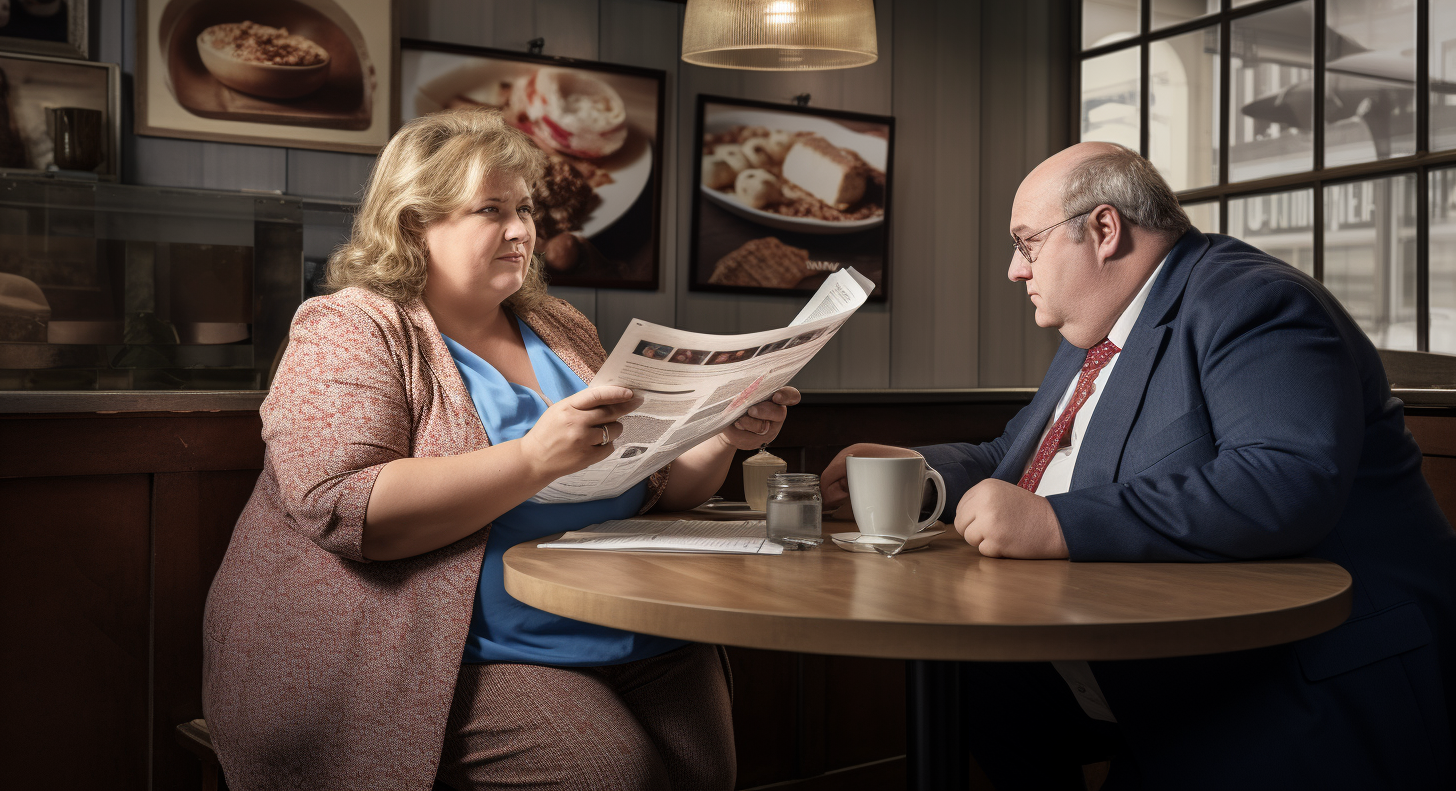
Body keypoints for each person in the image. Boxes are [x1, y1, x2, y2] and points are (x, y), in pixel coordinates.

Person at [822, 142, 1456, 790]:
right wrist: (915, 467)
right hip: (1150, 654)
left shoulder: (1255, 302)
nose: (1015, 270)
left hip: (1295, 677)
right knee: (964, 674)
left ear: (1103, 229)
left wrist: (1058, 526)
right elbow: (1012, 463)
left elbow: (1283, 480)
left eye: (1027, 243)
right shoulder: (1101, 329)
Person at [203, 107, 801, 791]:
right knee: (612, 778)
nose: (522, 230)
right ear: (413, 224)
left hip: (630, 622)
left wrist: (723, 434)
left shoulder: (559, 326)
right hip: (447, 653)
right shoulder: (350, 325)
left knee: (705, 775)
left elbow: (657, 486)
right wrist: (532, 461)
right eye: (491, 209)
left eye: (525, 208)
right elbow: (345, 509)